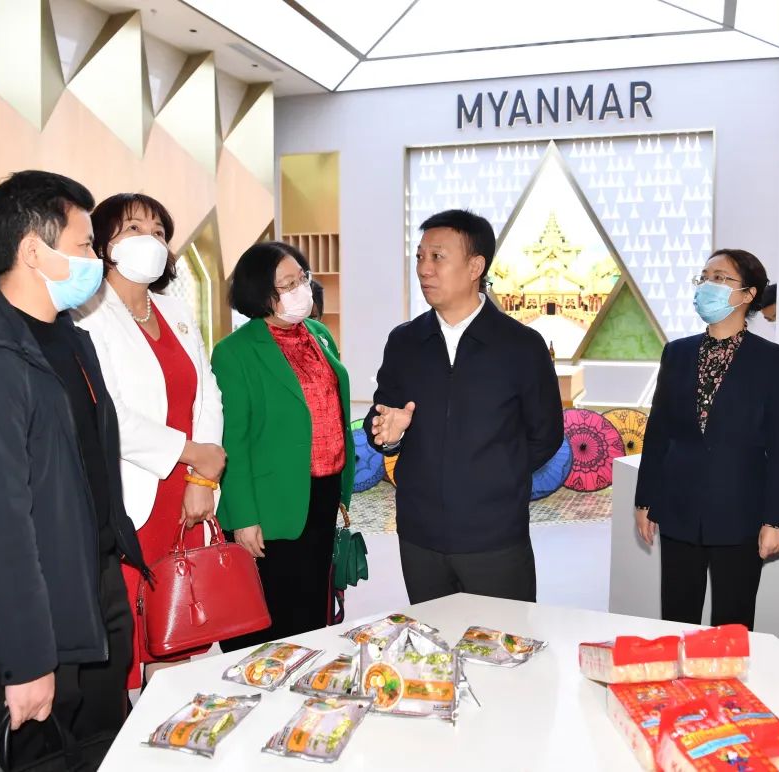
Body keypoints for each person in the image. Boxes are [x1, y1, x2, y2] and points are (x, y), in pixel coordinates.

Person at [0, 171, 148, 770]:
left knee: (105, 746)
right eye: (84, 245)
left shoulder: (68, 337)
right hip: (36, 604)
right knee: (46, 757)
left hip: (94, 576)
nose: (95, 259)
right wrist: (27, 658)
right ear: (33, 250)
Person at [365, 209, 564, 605]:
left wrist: (496, 477)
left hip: (495, 537)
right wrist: (389, 434)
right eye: (420, 257)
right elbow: (381, 419)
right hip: (420, 535)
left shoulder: (521, 346)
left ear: (476, 267)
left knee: (502, 638)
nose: (424, 269)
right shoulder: (405, 342)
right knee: (433, 639)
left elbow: (546, 434)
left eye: (438, 257)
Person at [73, 193, 224, 688]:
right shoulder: (86, 314)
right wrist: (191, 453)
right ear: (103, 244)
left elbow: (207, 395)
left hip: (187, 491)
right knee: (124, 644)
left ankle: (168, 724)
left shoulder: (175, 309)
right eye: (134, 228)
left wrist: (201, 475)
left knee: (175, 627)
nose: (151, 239)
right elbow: (108, 412)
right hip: (131, 498)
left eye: (159, 232)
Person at [634, 249, 779, 630]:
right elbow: (658, 432)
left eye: (720, 278)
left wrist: (776, 519)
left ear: (748, 294)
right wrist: (644, 499)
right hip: (679, 508)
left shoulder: (772, 359)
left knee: (732, 626)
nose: (708, 285)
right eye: (704, 277)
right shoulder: (677, 353)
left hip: (740, 512)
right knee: (677, 620)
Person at [212, 241, 354, 651]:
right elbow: (233, 440)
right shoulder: (235, 352)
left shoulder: (318, 335)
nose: (300, 290)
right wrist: (243, 517)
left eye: (302, 279)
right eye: (287, 285)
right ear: (261, 294)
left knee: (312, 607)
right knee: (268, 614)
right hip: (268, 501)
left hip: (321, 491)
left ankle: (307, 680)